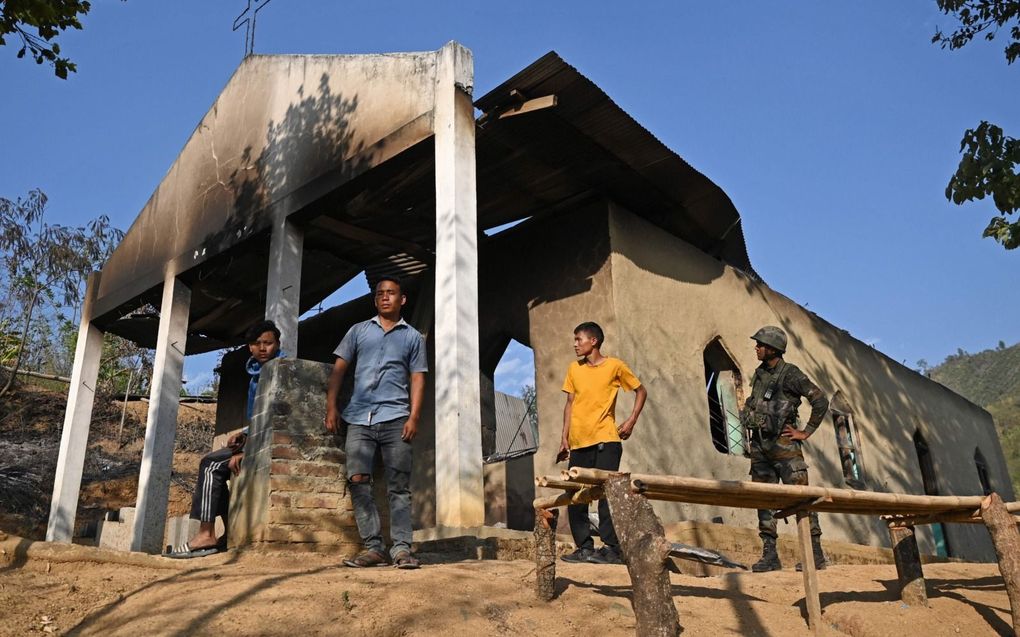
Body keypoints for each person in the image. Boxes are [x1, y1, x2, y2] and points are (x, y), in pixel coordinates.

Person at [325, 276, 427, 570]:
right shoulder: (358, 331)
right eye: (380, 294)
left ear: (402, 299)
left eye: (391, 293)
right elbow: (339, 370)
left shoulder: (412, 338)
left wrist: (414, 416)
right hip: (358, 418)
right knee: (358, 481)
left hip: (396, 418)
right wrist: (332, 406)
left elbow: (418, 377)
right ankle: (373, 548)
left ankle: (402, 549)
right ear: (375, 300)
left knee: (398, 486)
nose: (385, 298)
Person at [166, 320, 282, 558]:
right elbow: (258, 417)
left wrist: (245, 449)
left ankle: (206, 534)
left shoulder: (282, 370)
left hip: (273, 442)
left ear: (277, 344)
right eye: (256, 343)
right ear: (249, 347)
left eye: (268, 343)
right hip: (256, 438)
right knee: (212, 464)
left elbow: (277, 417)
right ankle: (228, 533)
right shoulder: (255, 373)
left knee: (211, 466)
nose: (262, 348)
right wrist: (245, 435)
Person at [557, 321, 647, 565]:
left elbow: (641, 391)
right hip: (579, 443)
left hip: (606, 440)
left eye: (579, 339)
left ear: (593, 341)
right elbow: (569, 404)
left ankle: (612, 548)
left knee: (608, 493)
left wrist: (631, 421)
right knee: (575, 495)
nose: (575, 344)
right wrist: (564, 438)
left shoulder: (615, 366)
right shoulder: (573, 369)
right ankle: (584, 548)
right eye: (575, 340)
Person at [743, 325, 829, 572]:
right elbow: (753, 404)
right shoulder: (760, 374)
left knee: (801, 497)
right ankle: (770, 556)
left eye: (760, 344)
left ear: (773, 348)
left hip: (784, 446)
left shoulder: (790, 374)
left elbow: (820, 399)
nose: (756, 347)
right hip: (760, 446)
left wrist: (806, 432)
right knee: (763, 500)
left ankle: (815, 554)